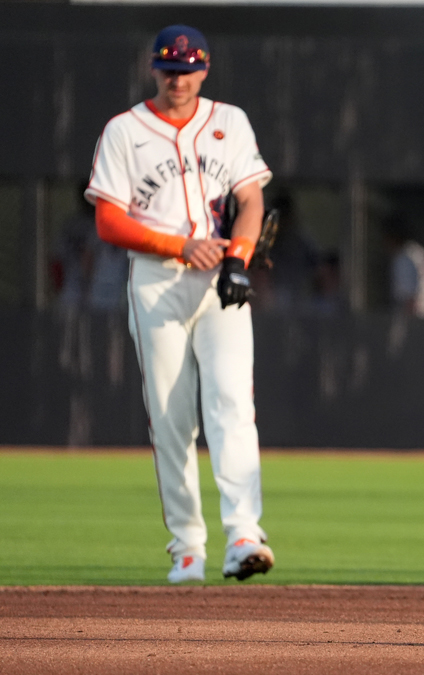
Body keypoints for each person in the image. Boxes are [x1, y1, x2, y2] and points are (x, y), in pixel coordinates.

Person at [84, 25, 275, 583]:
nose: (179, 77)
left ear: (205, 69)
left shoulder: (229, 121)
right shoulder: (124, 131)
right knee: (170, 416)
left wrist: (238, 260)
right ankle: (187, 546)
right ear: (154, 69)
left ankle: (243, 534)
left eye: (188, 67)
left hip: (220, 277)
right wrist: (177, 244)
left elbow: (251, 197)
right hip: (156, 277)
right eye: (169, 67)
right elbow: (109, 219)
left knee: (233, 405)